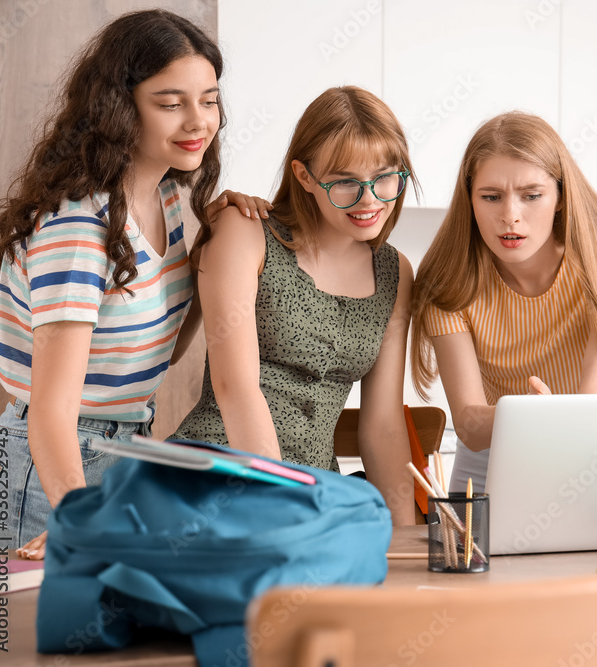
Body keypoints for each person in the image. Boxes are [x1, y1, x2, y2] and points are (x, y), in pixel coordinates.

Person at [0, 10, 269, 559]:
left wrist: (216, 255)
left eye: (208, 100)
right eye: (170, 103)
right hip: (45, 468)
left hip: (122, 448)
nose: (198, 121)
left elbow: (155, 348)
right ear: (119, 108)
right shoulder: (78, 229)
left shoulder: (165, 201)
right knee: (17, 640)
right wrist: (79, 515)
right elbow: (50, 409)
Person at [173, 86, 417, 525]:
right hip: (218, 480)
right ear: (304, 176)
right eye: (344, 182)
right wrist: (280, 507)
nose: (369, 200)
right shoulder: (244, 231)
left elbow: (382, 425)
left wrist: (405, 542)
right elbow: (235, 387)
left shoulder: (396, 272)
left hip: (316, 495)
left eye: (385, 178)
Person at [410, 112, 597, 493]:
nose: (510, 216)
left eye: (532, 196)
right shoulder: (446, 279)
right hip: (493, 456)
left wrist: (548, 419)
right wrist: (527, 417)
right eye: (490, 197)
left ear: (559, 197)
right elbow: (471, 426)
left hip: (596, 449)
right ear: (469, 199)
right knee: (472, 554)